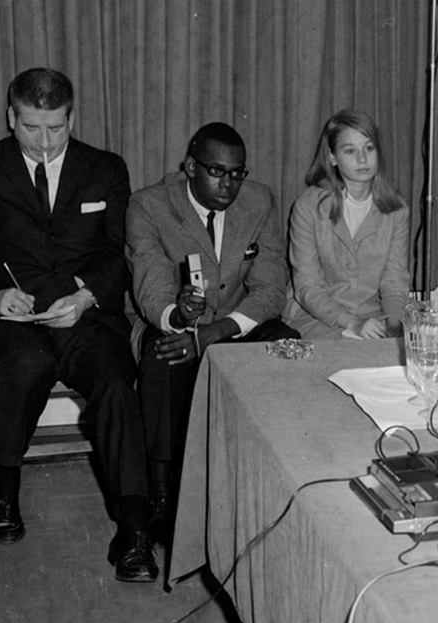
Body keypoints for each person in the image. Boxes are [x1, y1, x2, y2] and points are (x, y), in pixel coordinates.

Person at [0, 68, 157, 581]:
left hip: (83, 315)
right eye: (32, 128)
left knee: (115, 382)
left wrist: (85, 296)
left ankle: (133, 529)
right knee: (26, 364)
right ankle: (2, 493)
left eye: (56, 129)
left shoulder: (105, 169)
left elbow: (119, 252)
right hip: (13, 319)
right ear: (11, 117)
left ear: (71, 118)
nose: (44, 142)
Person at [126, 122, 297, 543]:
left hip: (232, 323)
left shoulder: (259, 202)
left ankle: (272, 482)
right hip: (168, 324)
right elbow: (150, 289)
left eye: (238, 173)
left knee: (285, 344)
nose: (229, 184)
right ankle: (163, 500)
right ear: (190, 167)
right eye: (217, 171)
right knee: (163, 360)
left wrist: (215, 332)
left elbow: (272, 288)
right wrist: (180, 317)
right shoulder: (148, 205)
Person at [284, 110, 410, 340]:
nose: (362, 159)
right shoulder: (308, 206)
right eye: (350, 150)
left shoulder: (396, 208)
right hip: (316, 319)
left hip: (374, 319)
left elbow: (394, 282)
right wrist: (353, 323)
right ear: (332, 157)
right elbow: (308, 288)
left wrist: (394, 328)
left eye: (369, 148)